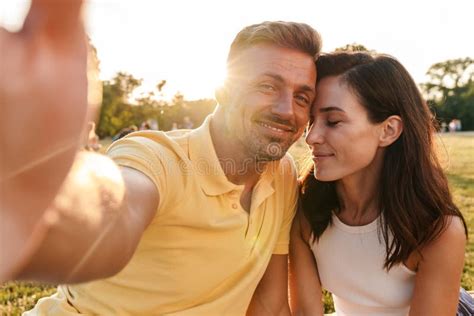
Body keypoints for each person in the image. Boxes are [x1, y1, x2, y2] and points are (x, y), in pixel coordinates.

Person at [9, 10, 321, 314]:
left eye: (302, 98)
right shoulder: (157, 158)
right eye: (267, 86)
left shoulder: (281, 176)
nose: (286, 110)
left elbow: (269, 306)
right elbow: (116, 213)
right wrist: (34, 202)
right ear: (224, 90)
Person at [289, 51, 468, 315]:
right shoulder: (306, 209)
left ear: (388, 130)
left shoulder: (437, 229)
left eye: (333, 121)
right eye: (311, 121)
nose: (311, 137)